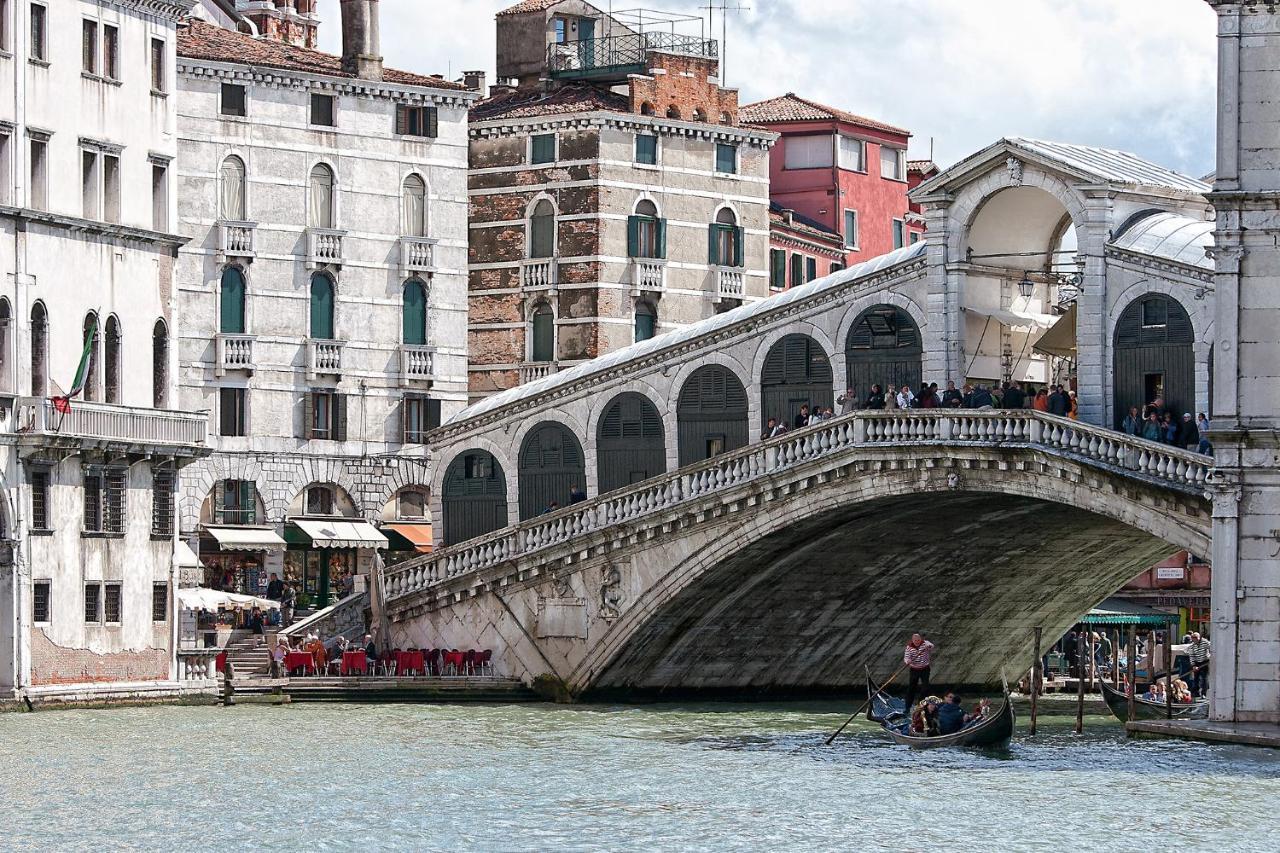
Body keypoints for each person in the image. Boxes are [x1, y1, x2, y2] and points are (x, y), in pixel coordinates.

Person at [902, 633, 936, 712]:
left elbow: (931, 646)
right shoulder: (909, 647)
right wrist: (908, 661)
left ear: (920, 639)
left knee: (925, 688)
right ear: (912, 640)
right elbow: (906, 657)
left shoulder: (925, 643)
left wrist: (929, 646)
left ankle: (919, 705)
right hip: (914, 669)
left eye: (918, 640)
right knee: (911, 688)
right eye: (915, 640)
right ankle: (907, 708)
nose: (917, 642)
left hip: (925, 669)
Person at [1186, 632, 1211, 698]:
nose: (1194, 640)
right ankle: (1196, 693)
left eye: (1196, 638)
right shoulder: (1192, 646)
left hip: (1205, 661)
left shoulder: (1205, 642)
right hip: (1197, 663)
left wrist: (1211, 657)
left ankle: (1204, 693)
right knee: (1196, 678)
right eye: (1193, 638)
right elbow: (1192, 656)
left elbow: (1212, 648)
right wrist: (1194, 665)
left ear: (1199, 638)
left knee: (1204, 678)